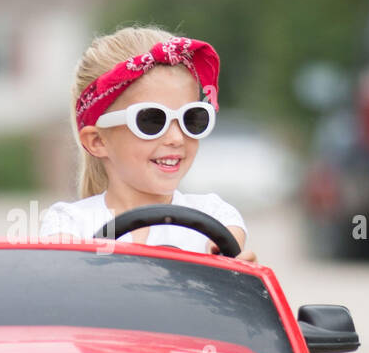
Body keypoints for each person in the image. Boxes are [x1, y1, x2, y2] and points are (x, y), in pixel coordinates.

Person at [38, 25, 257, 261]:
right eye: (152, 121)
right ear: (98, 141)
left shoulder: (216, 216)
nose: (176, 138)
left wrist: (239, 273)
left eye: (191, 118)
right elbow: (62, 284)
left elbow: (228, 256)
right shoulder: (69, 224)